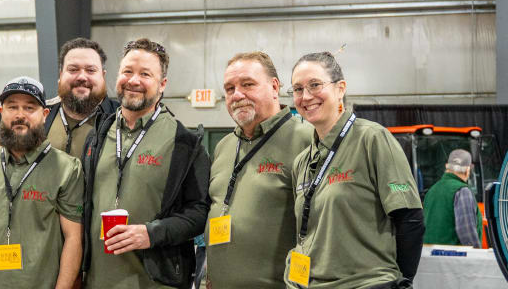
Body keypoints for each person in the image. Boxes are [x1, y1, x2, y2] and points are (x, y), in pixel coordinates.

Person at [284, 52, 424, 289]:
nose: (306, 96)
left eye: (315, 85)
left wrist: (400, 282)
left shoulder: (372, 139)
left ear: (340, 89)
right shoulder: (302, 162)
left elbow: (410, 218)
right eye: (298, 89)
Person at [82, 38, 210, 289]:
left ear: (162, 84)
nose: (134, 80)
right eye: (127, 71)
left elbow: (198, 213)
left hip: (155, 283)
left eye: (145, 74)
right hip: (97, 281)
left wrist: (151, 234)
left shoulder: (185, 143)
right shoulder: (97, 135)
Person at [0, 77, 84, 289]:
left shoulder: (67, 169)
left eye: (29, 107)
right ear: (1, 112)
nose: (20, 115)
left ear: (44, 115)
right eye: (12, 107)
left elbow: (73, 238)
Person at [204, 52, 314, 289]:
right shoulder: (224, 146)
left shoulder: (308, 140)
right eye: (230, 88)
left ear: (274, 87)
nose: (237, 95)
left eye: (247, 84)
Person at [46, 38, 118, 158]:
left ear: (103, 76)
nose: (82, 77)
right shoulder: (40, 115)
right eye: (73, 70)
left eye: (91, 70)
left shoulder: (120, 118)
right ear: (61, 74)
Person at [423, 149, 483, 249]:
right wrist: (478, 253)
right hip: (453, 257)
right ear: (468, 170)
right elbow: (466, 232)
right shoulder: (462, 191)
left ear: (447, 167)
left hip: (428, 255)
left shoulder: (431, 191)